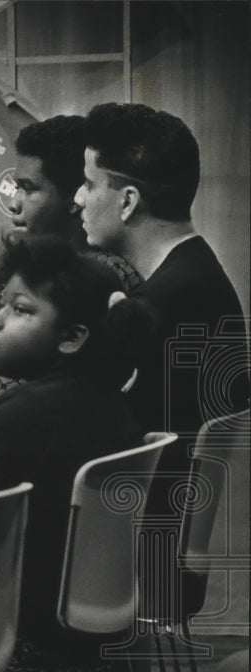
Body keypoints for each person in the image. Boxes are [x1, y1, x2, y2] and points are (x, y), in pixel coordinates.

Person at [74, 102, 249, 626]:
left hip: (134, 556)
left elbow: (91, 431)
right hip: (160, 543)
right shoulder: (197, 278)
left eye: (89, 183)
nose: (78, 199)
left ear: (127, 201)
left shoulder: (159, 304)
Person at [0, 237, 152, 672]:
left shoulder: (29, 413)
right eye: (1, 304)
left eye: (21, 310)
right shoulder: (102, 401)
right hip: (77, 625)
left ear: (71, 337)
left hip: (14, 626)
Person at [0, 115, 142, 410]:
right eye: (16, 187)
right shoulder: (13, 272)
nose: (13, 202)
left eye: (29, 188)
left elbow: (72, 400)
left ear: (75, 198)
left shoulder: (106, 279)